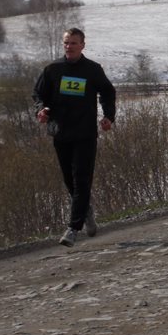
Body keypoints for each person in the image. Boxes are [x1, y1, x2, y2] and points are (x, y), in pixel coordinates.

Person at [33, 28, 116, 248]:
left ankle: (73, 228)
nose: (69, 47)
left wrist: (108, 116)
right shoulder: (52, 69)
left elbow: (108, 92)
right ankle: (85, 210)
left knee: (81, 179)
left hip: (85, 133)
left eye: (73, 43)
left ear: (83, 45)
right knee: (69, 180)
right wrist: (41, 110)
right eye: (66, 43)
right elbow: (38, 94)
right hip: (60, 132)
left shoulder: (92, 70)